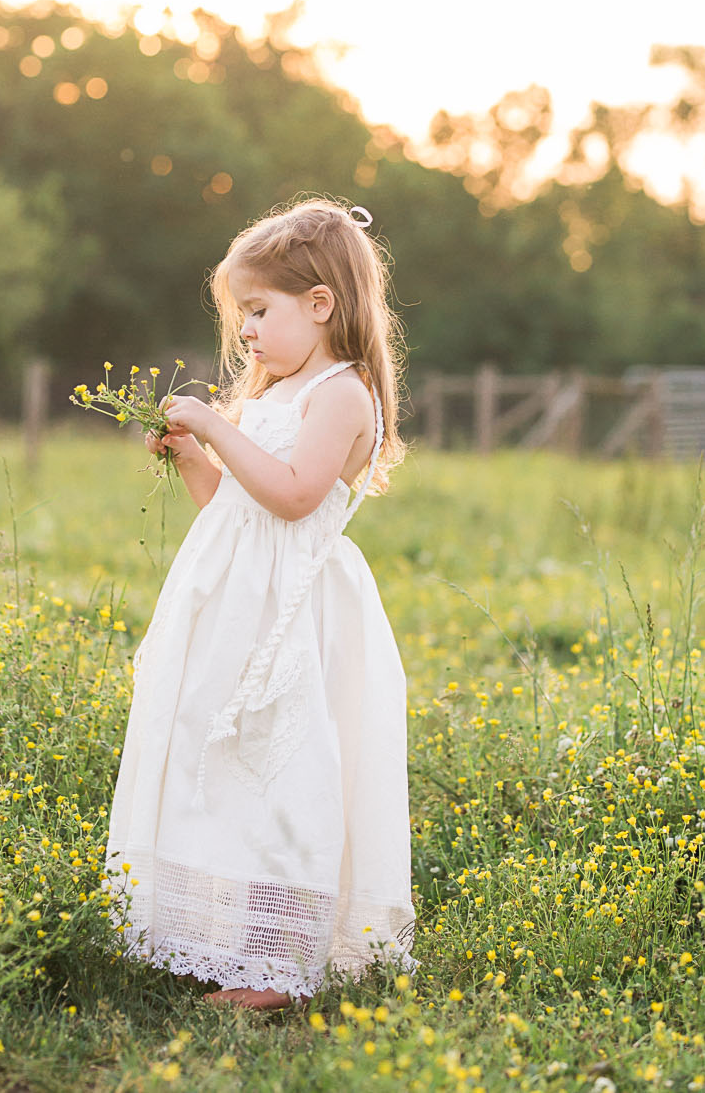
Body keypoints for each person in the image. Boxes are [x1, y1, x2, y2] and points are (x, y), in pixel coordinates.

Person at [103, 197, 415, 1008]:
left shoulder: (341, 396)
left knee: (286, 769)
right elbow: (231, 507)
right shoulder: (273, 393)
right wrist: (190, 456)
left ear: (321, 305)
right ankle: (217, 937)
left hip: (295, 618)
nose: (245, 330)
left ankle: (281, 963)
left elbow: (292, 496)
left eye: (259, 310)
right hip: (234, 609)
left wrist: (212, 422)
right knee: (221, 764)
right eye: (241, 313)